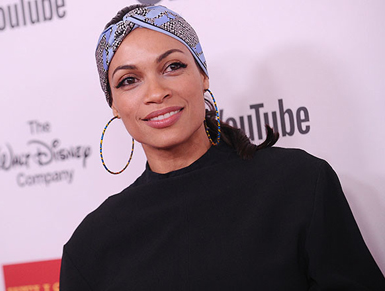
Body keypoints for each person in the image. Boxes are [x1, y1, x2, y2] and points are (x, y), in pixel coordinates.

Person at [60, 4, 385, 290]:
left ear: (203, 76)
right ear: (114, 105)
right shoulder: (90, 246)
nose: (156, 93)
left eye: (172, 66)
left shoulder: (299, 183)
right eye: (129, 80)